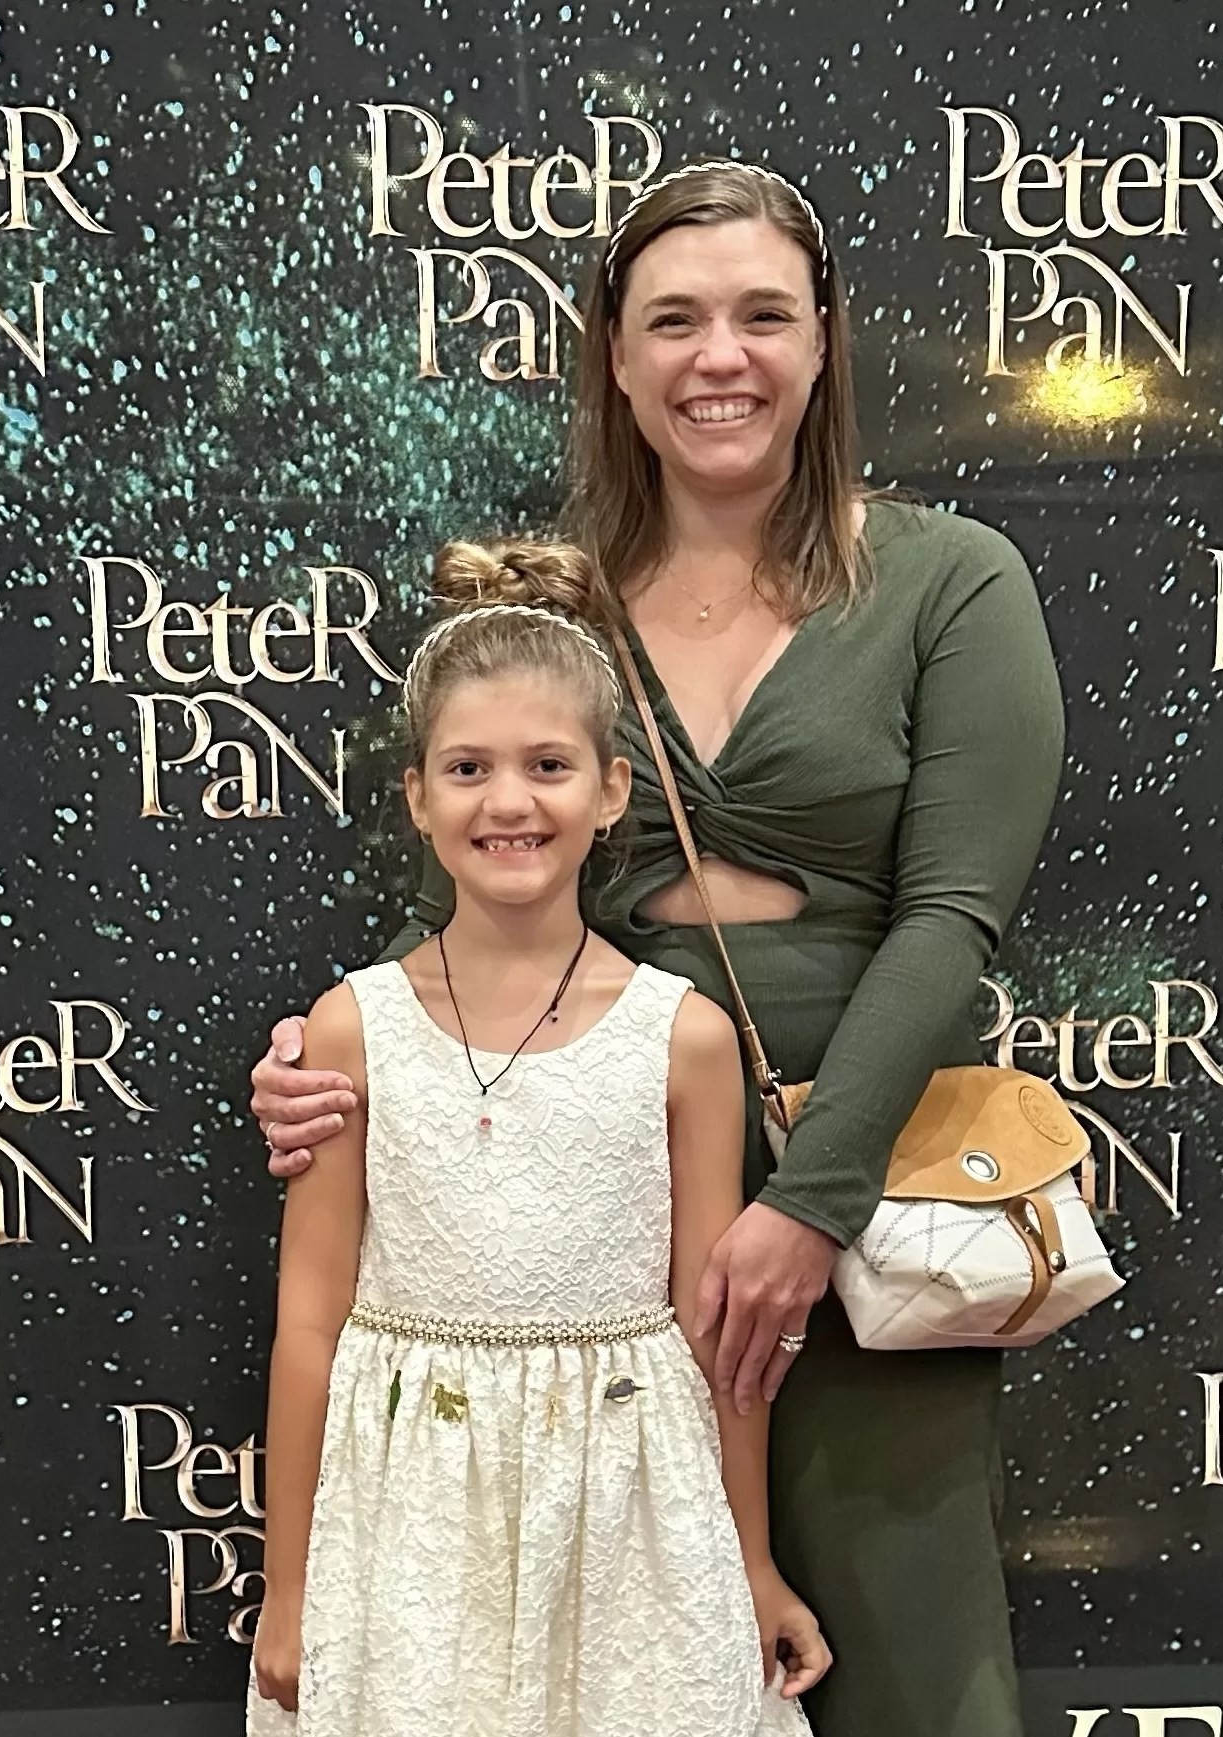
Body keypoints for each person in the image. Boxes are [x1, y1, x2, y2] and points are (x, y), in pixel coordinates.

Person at [253, 161, 1065, 1735]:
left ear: (824, 341)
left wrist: (807, 1205)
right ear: (613, 357)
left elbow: (956, 915)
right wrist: (326, 1067)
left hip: (878, 1202)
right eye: (675, 319)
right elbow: (480, 886)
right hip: (591, 1224)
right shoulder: (553, 608)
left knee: (914, 1665)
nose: (722, 357)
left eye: (765, 315)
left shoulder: (952, 581)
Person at [247, 536, 829, 1737]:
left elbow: (714, 1339)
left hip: (629, 1525)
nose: (508, 801)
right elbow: (310, 1322)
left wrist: (751, 1561)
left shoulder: (688, 1039)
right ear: (417, 796)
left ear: (611, 790)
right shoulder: (354, 1029)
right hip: (412, 1532)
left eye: (548, 765)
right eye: (467, 766)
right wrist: (289, 1587)